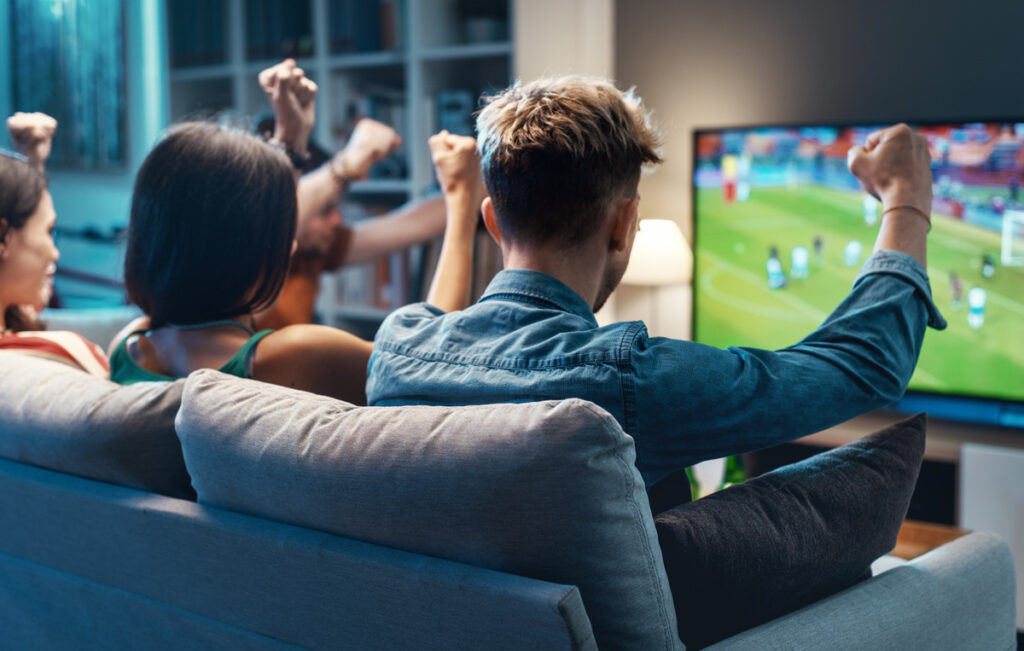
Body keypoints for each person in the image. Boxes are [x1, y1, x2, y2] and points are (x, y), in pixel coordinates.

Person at [366, 76, 946, 511]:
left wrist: (457, 202)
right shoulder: (632, 383)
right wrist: (906, 198)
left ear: (493, 222)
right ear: (625, 224)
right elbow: (864, 363)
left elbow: (439, 321)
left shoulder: (396, 348)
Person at [108, 62, 480, 403]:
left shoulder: (129, 347)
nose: (294, 243)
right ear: (248, 252)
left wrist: (291, 142)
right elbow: (427, 358)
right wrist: (463, 203)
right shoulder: (289, 356)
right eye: (283, 234)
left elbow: (232, 211)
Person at [252, 60, 448, 329]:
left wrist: (487, 181)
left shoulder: (314, 252)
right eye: (324, 210)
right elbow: (270, 226)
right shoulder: (244, 263)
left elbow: (412, 224)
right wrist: (348, 163)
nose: (336, 220)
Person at [0, 112, 108, 376]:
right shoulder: (59, 351)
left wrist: (31, 165)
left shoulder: (20, 327)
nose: (55, 252)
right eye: (49, 232)